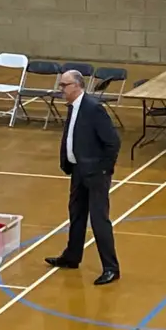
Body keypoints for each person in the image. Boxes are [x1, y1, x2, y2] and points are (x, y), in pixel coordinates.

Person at [45, 70, 121, 285]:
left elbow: (113, 142)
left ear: (77, 86)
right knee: (76, 216)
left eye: (64, 85)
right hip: (78, 171)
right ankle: (72, 256)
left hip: (96, 173)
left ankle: (111, 268)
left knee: (99, 221)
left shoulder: (93, 108)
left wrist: (104, 169)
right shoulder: (73, 108)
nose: (61, 90)